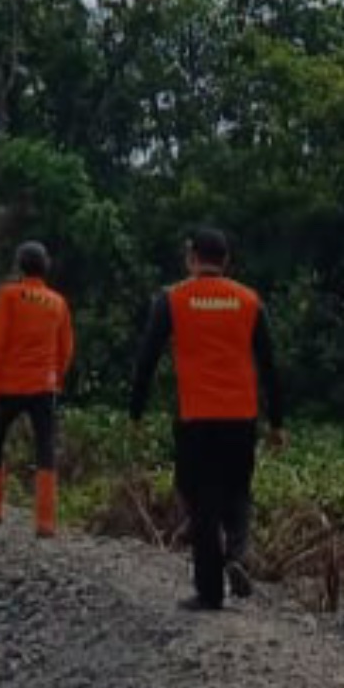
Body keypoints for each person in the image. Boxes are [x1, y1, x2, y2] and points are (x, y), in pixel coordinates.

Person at [129, 227, 288, 611]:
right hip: (241, 416)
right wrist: (277, 422)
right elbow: (269, 365)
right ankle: (237, 551)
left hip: (195, 416)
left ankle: (210, 591)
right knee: (237, 489)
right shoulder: (249, 301)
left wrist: (136, 410)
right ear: (226, 260)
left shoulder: (172, 299)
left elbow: (147, 358)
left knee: (200, 498)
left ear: (191, 257)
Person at [0, 242, 75, 538]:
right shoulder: (58, 302)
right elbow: (66, 348)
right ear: (46, 267)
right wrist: (56, 378)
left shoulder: (10, 296)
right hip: (44, 386)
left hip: (9, 384)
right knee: (45, 448)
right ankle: (45, 520)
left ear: (20, 266)